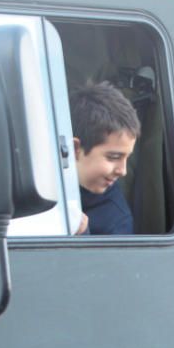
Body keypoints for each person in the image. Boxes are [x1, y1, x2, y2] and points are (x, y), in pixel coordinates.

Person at [69, 81, 141, 235]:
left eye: (127, 158)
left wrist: (82, 237)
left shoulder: (116, 221)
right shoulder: (33, 187)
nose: (123, 171)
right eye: (114, 157)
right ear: (75, 149)